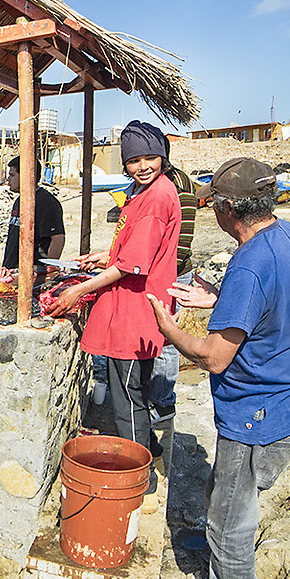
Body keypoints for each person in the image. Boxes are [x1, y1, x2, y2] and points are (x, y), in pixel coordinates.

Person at [147, 157, 290, 579]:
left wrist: (169, 328)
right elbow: (268, 304)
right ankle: (210, 573)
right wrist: (221, 298)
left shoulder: (248, 264)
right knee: (222, 492)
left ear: (226, 209)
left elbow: (215, 357)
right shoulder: (284, 238)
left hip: (258, 412)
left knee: (229, 519)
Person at [49, 121, 181, 463]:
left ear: (162, 157)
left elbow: (130, 265)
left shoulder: (155, 198)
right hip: (140, 301)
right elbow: (133, 250)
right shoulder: (152, 191)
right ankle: (149, 448)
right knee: (136, 386)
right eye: (134, 161)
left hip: (135, 307)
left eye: (150, 158)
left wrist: (80, 289)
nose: (142, 167)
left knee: (127, 393)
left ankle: (140, 470)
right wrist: (103, 256)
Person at [0, 156, 65, 273]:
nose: (8, 179)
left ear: (26, 176)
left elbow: (58, 238)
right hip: (13, 270)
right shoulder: (20, 200)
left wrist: (48, 271)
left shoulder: (46, 203)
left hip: (33, 273)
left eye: (12, 175)